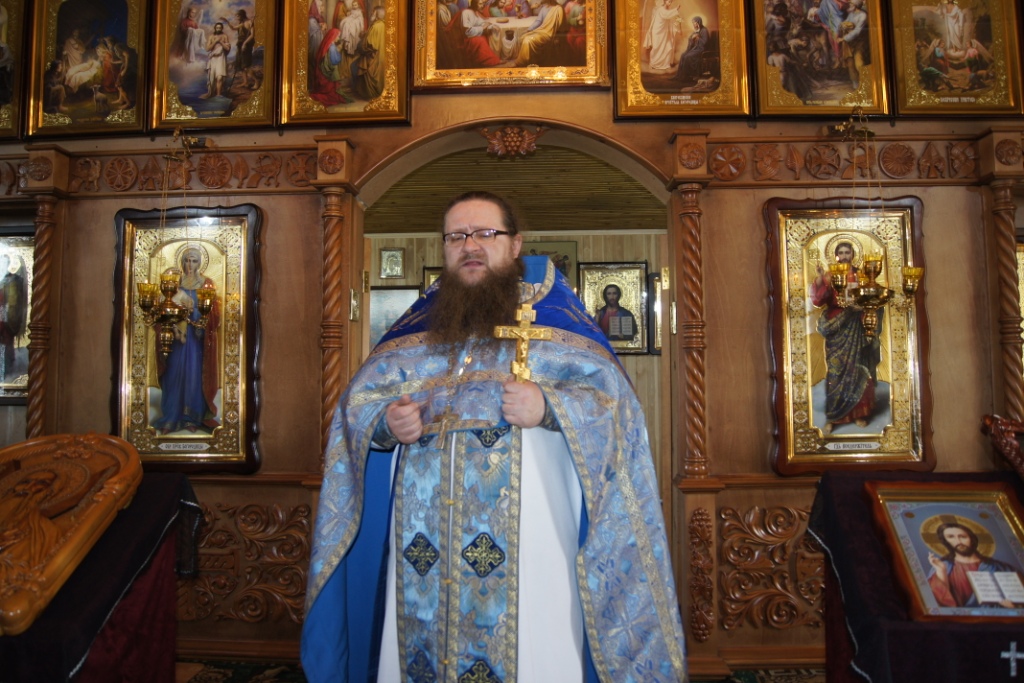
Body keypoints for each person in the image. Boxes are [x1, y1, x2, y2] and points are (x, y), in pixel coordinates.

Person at [301, 191, 686, 683]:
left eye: (486, 233)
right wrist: (385, 425)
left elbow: (616, 413)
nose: (471, 246)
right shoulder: (415, 332)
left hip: (533, 546)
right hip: (422, 551)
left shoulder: (559, 324)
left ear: (515, 244)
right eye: (457, 236)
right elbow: (357, 410)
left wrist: (549, 408)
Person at [810, 241, 880, 434]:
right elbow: (818, 300)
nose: (844, 256)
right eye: (840, 252)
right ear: (836, 255)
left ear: (852, 254)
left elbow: (871, 298)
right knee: (836, 371)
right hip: (836, 326)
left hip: (856, 325)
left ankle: (858, 414)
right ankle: (834, 416)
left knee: (857, 368)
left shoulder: (862, 275)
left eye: (847, 252)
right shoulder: (829, 276)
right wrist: (819, 278)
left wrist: (862, 306)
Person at [151, 247, 220, 435]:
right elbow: (161, 308)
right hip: (175, 340)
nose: (190, 265)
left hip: (196, 340)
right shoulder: (173, 282)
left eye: (194, 261)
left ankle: (192, 418)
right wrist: (170, 317)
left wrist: (197, 315)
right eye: (187, 260)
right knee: (173, 375)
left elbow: (213, 314)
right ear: (182, 262)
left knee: (193, 376)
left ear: (199, 263)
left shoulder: (206, 284)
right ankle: (171, 417)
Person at [926, 521, 1023, 608]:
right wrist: (942, 572)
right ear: (946, 542)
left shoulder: (1000, 567)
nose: (958, 541)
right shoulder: (942, 567)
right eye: (951, 537)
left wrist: (1014, 607)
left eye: (963, 537)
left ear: (972, 539)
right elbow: (938, 603)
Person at [0, 254, 27, 381]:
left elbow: (13, 304)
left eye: (4, 263)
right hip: (3, 321)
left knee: (6, 348)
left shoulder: (13, 281)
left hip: (6, 323)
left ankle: (6, 373)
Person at [352, 5, 387, 101]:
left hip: (372, 58)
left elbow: (370, 45)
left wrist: (360, 44)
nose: (372, 14)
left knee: (356, 67)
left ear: (377, 14)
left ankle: (369, 95)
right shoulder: (384, 25)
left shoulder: (376, 26)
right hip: (379, 57)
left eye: (373, 12)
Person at [515, 0, 564, 66]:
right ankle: (528, 61)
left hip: (549, 34)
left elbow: (560, 25)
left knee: (528, 40)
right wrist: (529, 30)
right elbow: (538, 21)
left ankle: (521, 62)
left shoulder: (558, 9)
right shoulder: (544, 8)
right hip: (541, 31)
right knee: (523, 37)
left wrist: (557, 36)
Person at [221, 9, 257, 89]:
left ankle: (257, 81)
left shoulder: (249, 22)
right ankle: (245, 82)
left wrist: (245, 43)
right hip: (240, 44)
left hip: (246, 45)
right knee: (241, 65)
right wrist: (227, 21)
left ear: (241, 15)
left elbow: (252, 35)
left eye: (237, 16)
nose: (236, 17)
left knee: (246, 66)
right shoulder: (242, 23)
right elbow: (233, 28)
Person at [642, 0, 680, 72]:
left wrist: (676, 27)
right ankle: (653, 64)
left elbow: (670, 19)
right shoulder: (661, 9)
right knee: (656, 47)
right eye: (669, 1)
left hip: (664, 32)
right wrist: (676, 10)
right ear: (665, 1)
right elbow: (667, 15)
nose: (670, 3)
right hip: (657, 32)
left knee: (667, 46)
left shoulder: (666, 10)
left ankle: (666, 64)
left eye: (671, 2)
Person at [674, 16, 710, 84]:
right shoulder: (696, 30)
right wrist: (692, 38)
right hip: (695, 48)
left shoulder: (704, 30)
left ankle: (687, 76)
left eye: (694, 23)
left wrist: (698, 38)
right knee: (683, 55)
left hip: (701, 49)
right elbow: (690, 39)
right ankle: (680, 75)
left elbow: (705, 42)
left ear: (699, 22)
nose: (693, 24)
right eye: (693, 23)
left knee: (688, 56)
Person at [201, 23, 232, 99]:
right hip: (213, 59)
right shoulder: (211, 37)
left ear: (221, 28)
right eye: (217, 28)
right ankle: (211, 93)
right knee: (212, 79)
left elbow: (227, 48)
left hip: (221, 58)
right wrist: (215, 41)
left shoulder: (224, 36)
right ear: (215, 28)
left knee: (219, 77)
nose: (218, 29)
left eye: (220, 28)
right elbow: (207, 49)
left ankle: (218, 95)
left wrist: (220, 42)